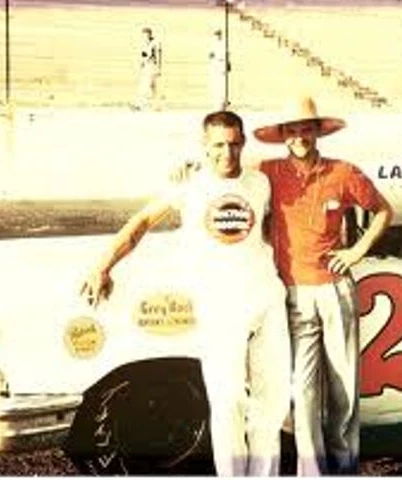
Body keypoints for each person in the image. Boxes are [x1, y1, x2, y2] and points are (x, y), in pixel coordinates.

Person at [80, 110, 291, 476]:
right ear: (204, 146)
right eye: (218, 145)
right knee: (227, 401)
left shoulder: (260, 182)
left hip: (266, 299)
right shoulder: (189, 186)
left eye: (234, 144)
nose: (227, 153)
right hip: (220, 306)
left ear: (244, 142)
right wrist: (103, 266)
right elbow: (142, 222)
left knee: (270, 404)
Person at [252, 96, 393, 475]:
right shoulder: (267, 172)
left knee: (344, 387)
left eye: (306, 129)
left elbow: (383, 210)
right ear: (283, 135)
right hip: (293, 294)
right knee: (302, 390)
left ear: (317, 132)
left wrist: (357, 250)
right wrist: (188, 170)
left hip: (336, 290)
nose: (299, 137)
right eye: (292, 130)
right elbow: (227, 178)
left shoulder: (343, 172)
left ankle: (345, 467)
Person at [136, 27, 162, 110]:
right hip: (147, 66)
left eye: (146, 35)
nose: (144, 37)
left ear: (150, 34)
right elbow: (143, 56)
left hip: (152, 66)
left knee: (145, 86)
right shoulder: (145, 43)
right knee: (153, 87)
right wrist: (141, 64)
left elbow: (158, 55)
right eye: (143, 35)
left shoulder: (155, 43)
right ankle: (156, 106)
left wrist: (159, 68)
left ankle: (140, 105)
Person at [208, 29, 230, 110]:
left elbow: (227, 54)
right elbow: (211, 55)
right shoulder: (214, 43)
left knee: (222, 84)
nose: (218, 36)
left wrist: (228, 63)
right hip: (216, 65)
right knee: (217, 84)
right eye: (217, 35)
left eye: (218, 35)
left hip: (222, 64)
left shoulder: (223, 43)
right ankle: (220, 103)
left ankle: (223, 102)